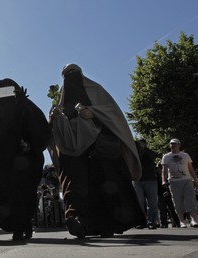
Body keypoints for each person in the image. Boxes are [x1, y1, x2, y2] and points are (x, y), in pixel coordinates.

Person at [49, 64, 145, 238]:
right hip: (73, 153)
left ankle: (107, 224)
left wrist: (93, 112)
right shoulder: (61, 100)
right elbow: (56, 131)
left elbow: (112, 113)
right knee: (77, 188)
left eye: (74, 73)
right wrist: (55, 118)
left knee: (104, 186)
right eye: (67, 75)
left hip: (99, 151)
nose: (71, 78)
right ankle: (80, 222)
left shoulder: (96, 90)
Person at [0, 78, 50, 240]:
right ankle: (17, 225)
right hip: (4, 163)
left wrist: (30, 145)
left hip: (25, 161)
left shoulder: (26, 107)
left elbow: (40, 130)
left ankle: (23, 225)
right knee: (7, 195)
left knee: (24, 194)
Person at [161, 138, 198, 228]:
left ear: (179, 145)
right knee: (177, 201)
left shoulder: (185, 155)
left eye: (175, 144)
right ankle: (182, 221)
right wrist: (164, 180)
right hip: (173, 181)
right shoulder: (166, 156)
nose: (173, 145)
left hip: (187, 180)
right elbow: (164, 170)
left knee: (190, 199)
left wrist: (195, 179)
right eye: (171, 144)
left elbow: (190, 168)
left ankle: (194, 220)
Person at [133, 139, 159, 229]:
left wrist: (145, 148)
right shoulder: (134, 152)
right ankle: (141, 222)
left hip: (150, 179)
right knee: (139, 202)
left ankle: (151, 222)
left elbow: (155, 155)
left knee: (152, 203)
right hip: (137, 180)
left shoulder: (148, 153)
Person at [156, 162, 180, 228]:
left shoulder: (168, 176)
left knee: (172, 209)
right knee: (162, 210)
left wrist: (168, 192)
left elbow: (172, 185)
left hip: (169, 194)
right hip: (160, 195)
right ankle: (164, 223)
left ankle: (177, 222)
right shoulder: (156, 177)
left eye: (158, 168)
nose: (157, 170)